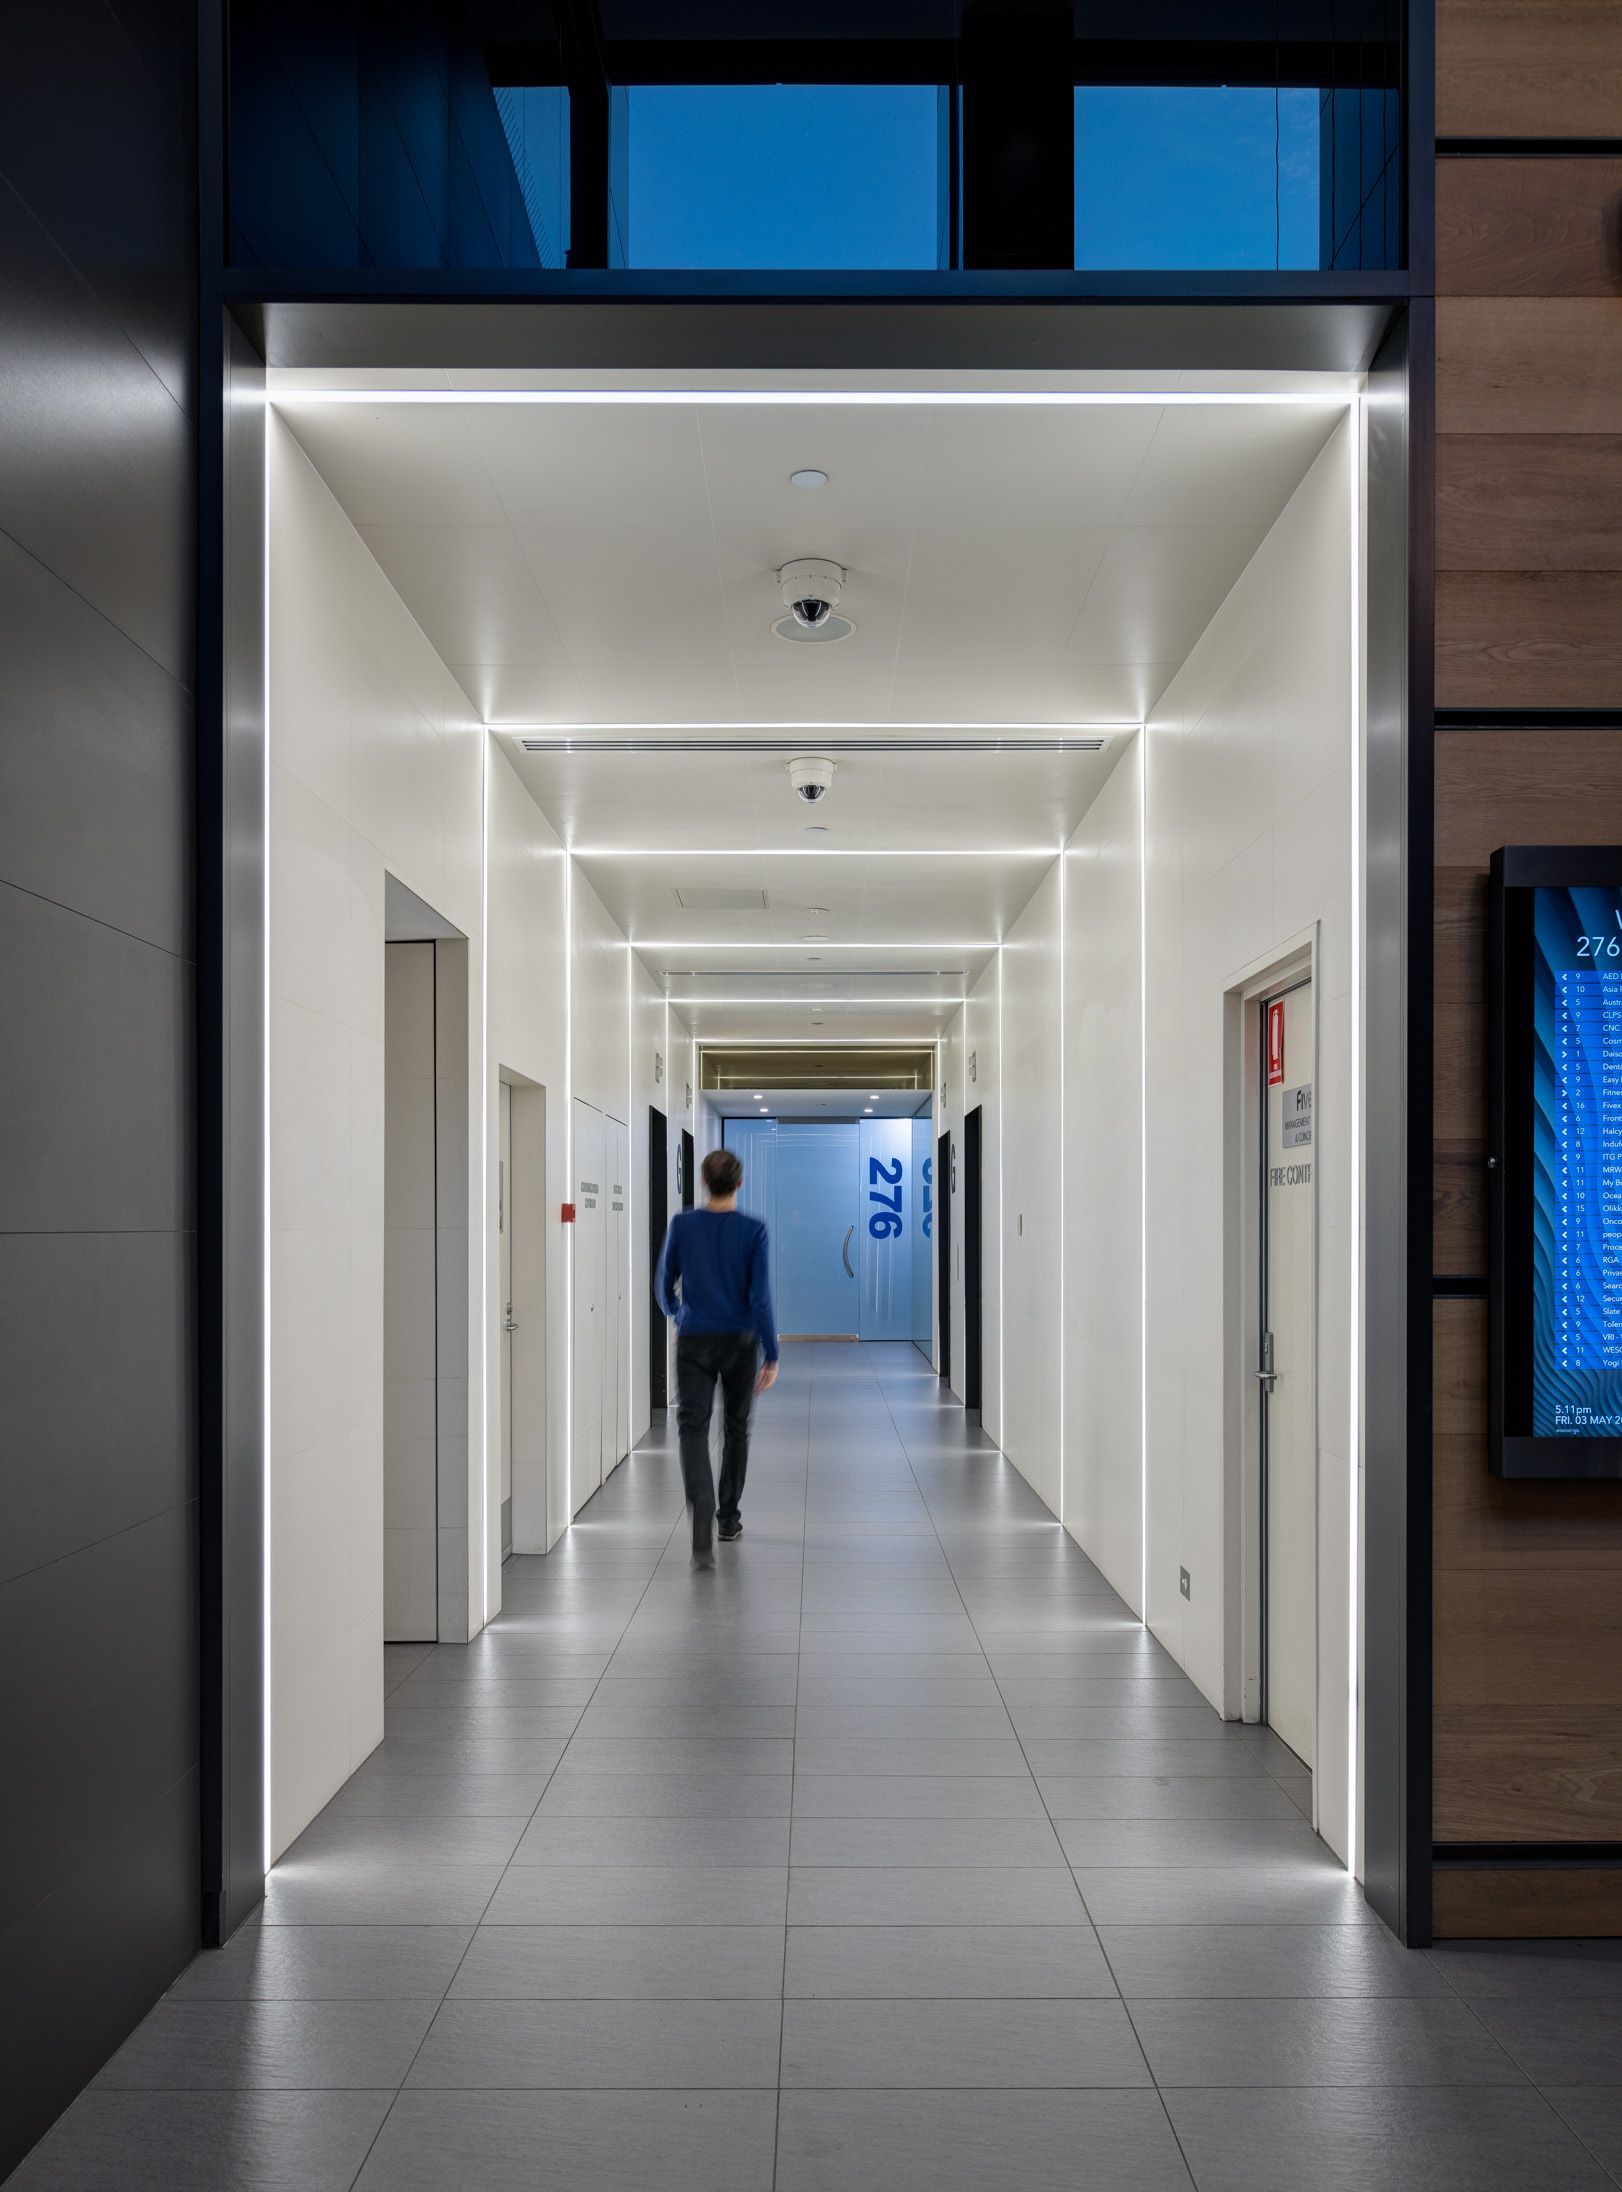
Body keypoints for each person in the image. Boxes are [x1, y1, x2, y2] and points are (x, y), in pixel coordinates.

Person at [654, 1147, 779, 1569]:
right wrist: (772, 1353)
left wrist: (677, 1312)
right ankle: (728, 1519)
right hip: (741, 1342)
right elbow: (759, 1297)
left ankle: (702, 1506)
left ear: (704, 1182)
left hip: (694, 1340)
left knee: (692, 1427)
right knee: (736, 1429)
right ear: (739, 1183)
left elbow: (662, 1282)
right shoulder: (753, 1230)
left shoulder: (683, 1225)